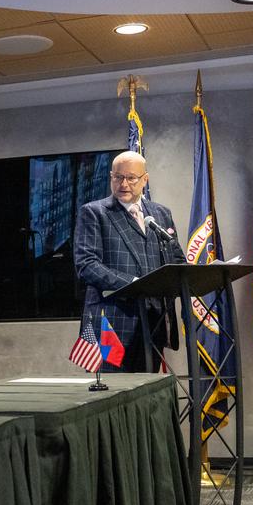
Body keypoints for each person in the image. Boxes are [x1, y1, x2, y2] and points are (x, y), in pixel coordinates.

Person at [73, 150, 182, 372]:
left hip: (155, 322)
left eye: (131, 178)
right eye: (117, 177)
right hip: (112, 324)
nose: (124, 184)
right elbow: (86, 265)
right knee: (111, 396)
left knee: (148, 395)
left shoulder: (161, 214)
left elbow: (176, 259)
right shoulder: (94, 212)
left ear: (145, 179)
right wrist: (133, 283)